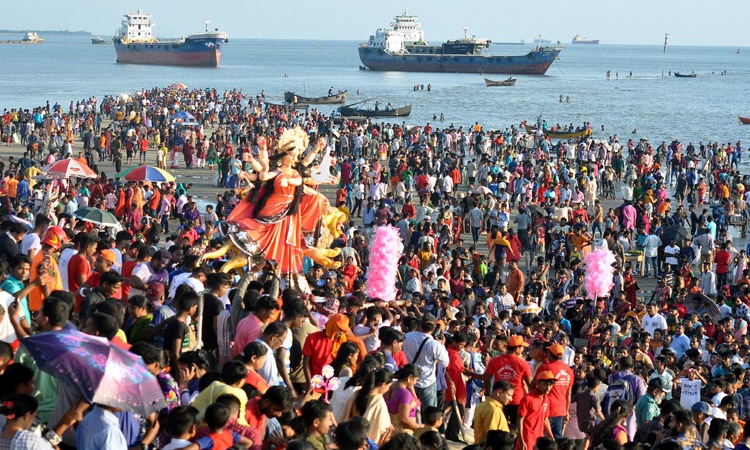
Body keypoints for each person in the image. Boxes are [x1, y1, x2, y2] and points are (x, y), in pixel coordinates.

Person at [483, 335, 532, 424]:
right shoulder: (523, 364)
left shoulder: (494, 360)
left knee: (499, 427)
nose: (523, 350)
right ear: (517, 348)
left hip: (499, 399)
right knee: (515, 428)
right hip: (517, 400)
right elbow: (530, 384)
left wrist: (486, 392)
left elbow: (486, 379)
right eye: (522, 347)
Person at [518, 369, 556, 450]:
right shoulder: (528, 398)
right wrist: (521, 441)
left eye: (550, 385)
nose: (548, 388)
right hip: (527, 439)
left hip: (539, 440)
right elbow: (520, 420)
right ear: (537, 383)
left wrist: (551, 437)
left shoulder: (546, 399)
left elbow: (545, 419)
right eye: (545, 384)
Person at [473, 380, 514, 444]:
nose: (511, 399)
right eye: (509, 395)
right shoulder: (493, 410)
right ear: (499, 393)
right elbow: (492, 438)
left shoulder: (485, 405)